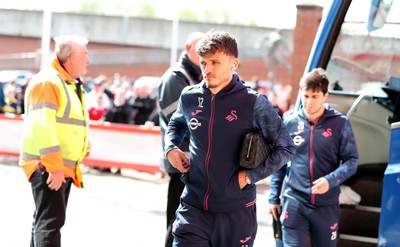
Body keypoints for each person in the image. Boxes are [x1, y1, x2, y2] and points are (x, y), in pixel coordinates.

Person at [164, 30, 295, 247]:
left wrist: (251, 176)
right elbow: (176, 124)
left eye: (215, 62)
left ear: (234, 63)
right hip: (193, 208)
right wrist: (171, 148)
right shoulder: (189, 96)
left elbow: (286, 148)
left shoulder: (254, 103)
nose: (208, 69)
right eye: (204, 63)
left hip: (236, 213)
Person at [268, 68, 359, 247]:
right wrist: (274, 197)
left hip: (326, 205)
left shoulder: (340, 123)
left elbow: (352, 161)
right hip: (295, 201)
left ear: (325, 96)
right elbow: (279, 162)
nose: (308, 102)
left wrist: (330, 181)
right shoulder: (289, 121)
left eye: (314, 96)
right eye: (305, 96)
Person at [19, 35, 91, 247]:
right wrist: (54, 167)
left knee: (45, 222)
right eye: (85, 55)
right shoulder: (49, 82)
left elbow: (64, 122)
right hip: (49, 167)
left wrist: (81, 143)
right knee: (50, 225)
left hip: (56, 166)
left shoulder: (65, 82)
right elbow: (42, 127)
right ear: (73, 58)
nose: (89, 60)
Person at [158, 31, 205, 247]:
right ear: (187, 48)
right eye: (199, 48)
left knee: (189, 224)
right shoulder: (175, 77)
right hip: (180, 162)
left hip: (193, 162)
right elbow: (181, 119)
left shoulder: (197, 76)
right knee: (177, 224)